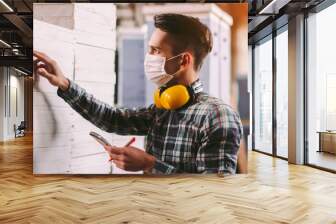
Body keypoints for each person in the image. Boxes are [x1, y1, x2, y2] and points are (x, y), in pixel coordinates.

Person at [33, 13, 243, 175]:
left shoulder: (217, 117)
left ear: (183, 60)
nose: (148, 57)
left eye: (155, 50)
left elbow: (215, 192)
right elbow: (113, 119)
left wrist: (150, 164)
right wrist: (66, 85)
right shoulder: (162, 109)